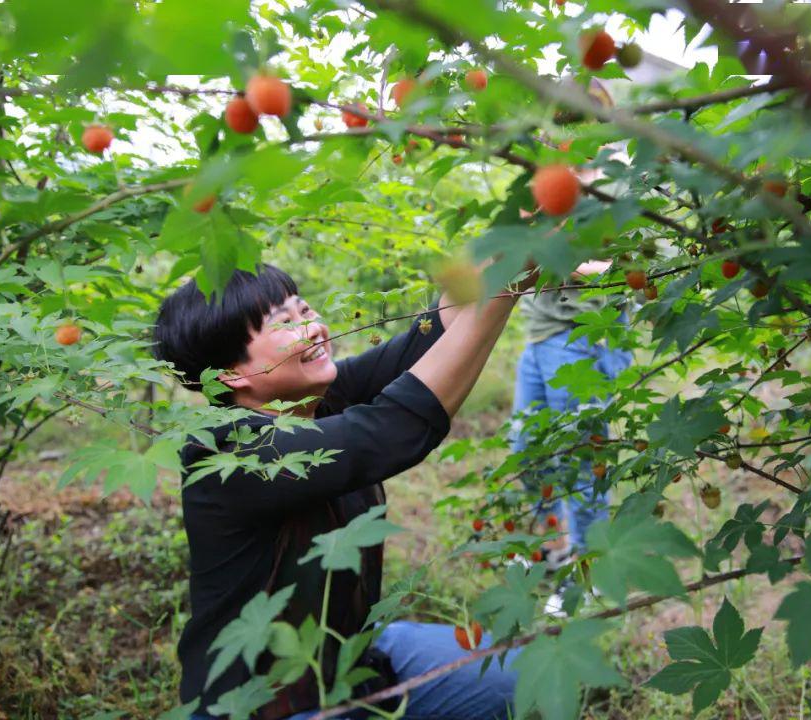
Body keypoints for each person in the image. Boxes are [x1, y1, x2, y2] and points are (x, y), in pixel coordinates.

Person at [152, 262, 535, 720]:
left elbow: (427, 335)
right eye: (285, 323)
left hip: (348, 655)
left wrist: (519, 244)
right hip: (262, 704)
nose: (313, 328)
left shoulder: (314, 400)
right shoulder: (230, 454)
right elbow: (393, 428)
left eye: (305, 310)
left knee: (526, 671)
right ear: (232, 374)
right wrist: (507, 290)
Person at [509, 259, 633, 616]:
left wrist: (556, 254)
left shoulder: (616, 201)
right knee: (526, 451)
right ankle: (557, 549)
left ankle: (586, 577)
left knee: (581, 465)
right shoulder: (545, 203)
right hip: (541, 335)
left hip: (583, 335)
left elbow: (636, 266)